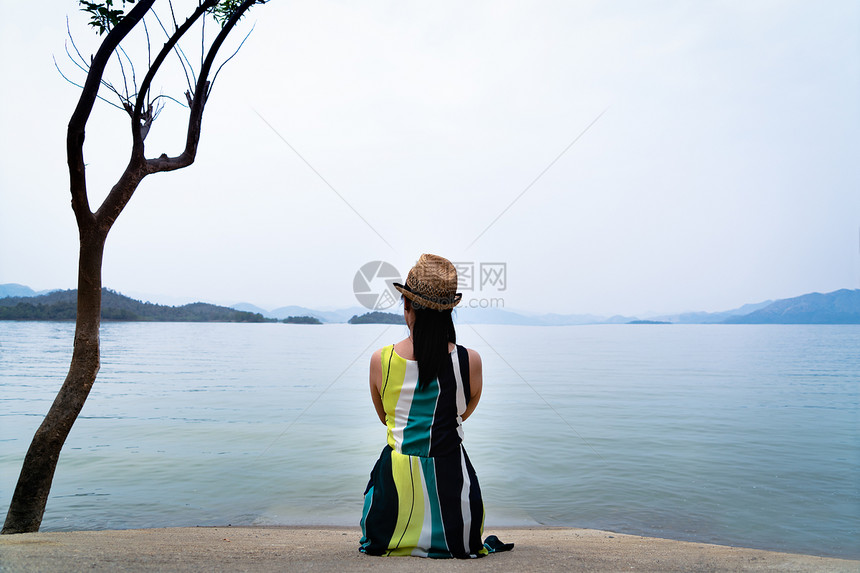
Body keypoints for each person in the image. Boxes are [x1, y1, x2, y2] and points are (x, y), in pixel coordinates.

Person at [359, 254, 513, 558]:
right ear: (449, 313)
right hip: (456, 520)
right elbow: (461, 415)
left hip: (388, 520)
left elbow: (386, 419)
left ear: (406, 306)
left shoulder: (381, 361)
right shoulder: (471, 362)